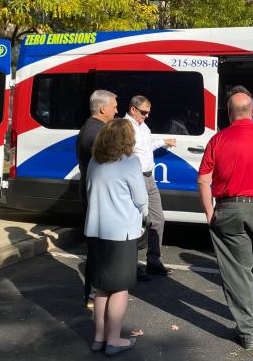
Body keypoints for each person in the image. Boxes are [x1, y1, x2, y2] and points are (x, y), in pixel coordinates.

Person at [197, 92, 253, 350]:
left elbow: (204, 179)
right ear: (252, 112)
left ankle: (247, 333)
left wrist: (209, 213)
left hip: (229, 209)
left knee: (238, 273)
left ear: (229, 113)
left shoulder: (218, 140)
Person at [85, 118, 148, 355]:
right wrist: (142, 216)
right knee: (120, 288)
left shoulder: (94, 161)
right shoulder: (130, 163)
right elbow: (141, 199)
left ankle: (99, 337)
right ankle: (114, 339)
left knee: (101, 287)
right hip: (121, 232)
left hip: (96, 230)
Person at [124, 95, 177, 278]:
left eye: (148, 113)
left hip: (149, 178)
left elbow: (146, 147)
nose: (147, 116)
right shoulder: (125, 127)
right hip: (135, 177)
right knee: (134, 222)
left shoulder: (142, 126)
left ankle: (153, 260)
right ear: (133, 109)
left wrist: (163, 142)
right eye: (144, 112)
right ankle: (130, 265)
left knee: (157, 219)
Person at [76, 89, 118, 306]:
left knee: (97, 246)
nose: (117, 110)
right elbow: (106, 168)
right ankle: (94, 294)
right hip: (98, 197)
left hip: (92, 193)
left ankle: (93, 293)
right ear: (103, 108)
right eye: (114, 107)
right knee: (98, 247)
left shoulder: (91, 127)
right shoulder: (97, 133)